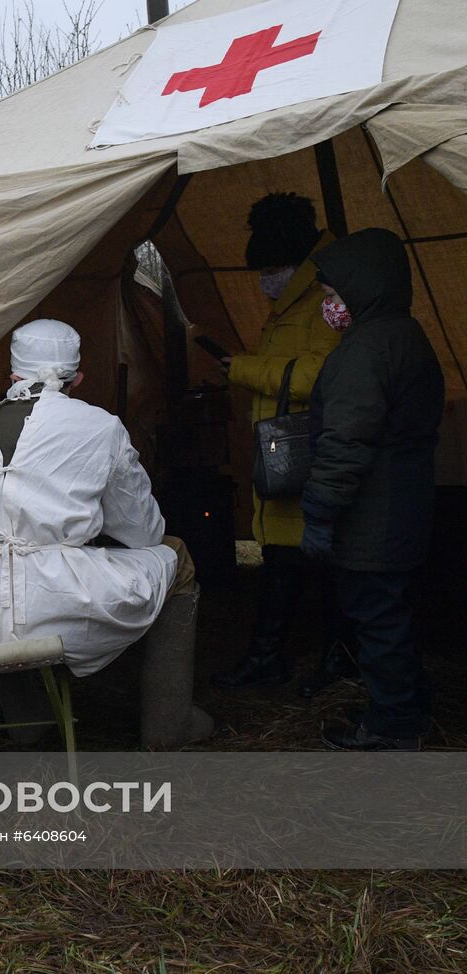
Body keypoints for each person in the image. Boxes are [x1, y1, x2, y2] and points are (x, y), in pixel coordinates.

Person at [0, 319, 213, 750]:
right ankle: (169, 723)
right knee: (175, 556)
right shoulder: (100, 426)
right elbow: (143, 532)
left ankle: (28, 724)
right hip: (59, 598)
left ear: (13, 376)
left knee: (3, 598)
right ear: (77, 378)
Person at [301, 228, 444, 750]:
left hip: (374, 516)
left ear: (364, 289)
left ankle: (394, 727)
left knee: (377, 619)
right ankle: (405, 706)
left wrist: (319, 510)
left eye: (334, 296)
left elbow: (346, 439)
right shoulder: (405, 333)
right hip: (402, 504)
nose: (330, 306)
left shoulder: (368, 347)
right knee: (391, 615)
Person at [213, 192, 355, 695]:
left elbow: (325, 374)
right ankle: (270, 657)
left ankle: (334, 661)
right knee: (281, 557)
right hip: (284, 449)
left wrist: (247, 370)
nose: (262, 278)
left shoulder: (325, 301)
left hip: (308, 449)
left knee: (317, 561)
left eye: (270, 265)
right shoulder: (293, 300)